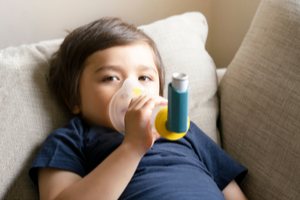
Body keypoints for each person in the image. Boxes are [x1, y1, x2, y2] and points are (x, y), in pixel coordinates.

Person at [29, 17, 247, 200]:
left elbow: (231, 190)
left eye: (144, 77)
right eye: (111, 77)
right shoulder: (71, 139)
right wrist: (132, 147)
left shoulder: (180, 126)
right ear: (73, 99)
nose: (133, 89)